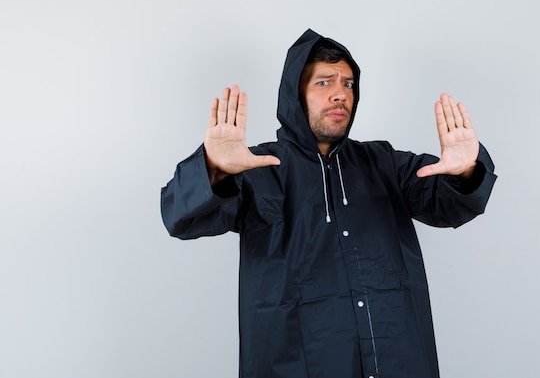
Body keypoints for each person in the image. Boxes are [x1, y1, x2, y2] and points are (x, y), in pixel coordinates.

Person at [161, 29, 497, 378]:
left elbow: (449, 204)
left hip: (396, 361)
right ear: (296, 94)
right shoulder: (257, 169)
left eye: (348, 84)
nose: (340, 95)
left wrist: (468, 171)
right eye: (324, 83)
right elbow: (179, 217)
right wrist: (214, 171)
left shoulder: (384, 163)